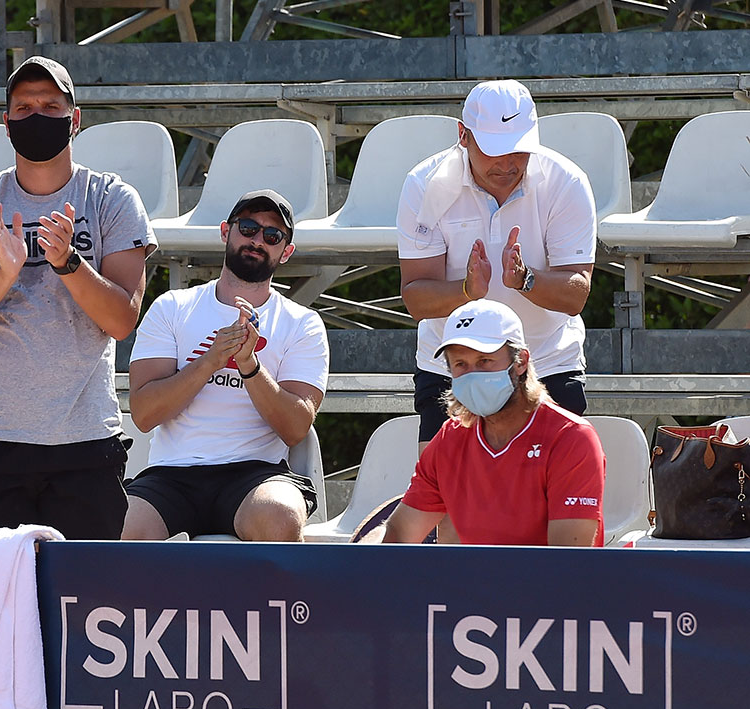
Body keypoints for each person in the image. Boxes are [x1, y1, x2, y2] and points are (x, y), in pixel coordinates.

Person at [0, 56, 156, 539]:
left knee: (83, 603)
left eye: (51, 106)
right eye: (24, 106)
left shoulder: (112, 198)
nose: (37, 116)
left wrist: (68, 263)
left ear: (75, 120)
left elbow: (121, 319)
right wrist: (1, 277)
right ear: (6, 124)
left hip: (86, 443)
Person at [397, 79, 597, 448]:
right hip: (454, 369)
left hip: (546, 364)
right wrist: (466, 291)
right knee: (445, 502)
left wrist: (526, 280)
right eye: (493, 150)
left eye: (519, 150)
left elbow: (576, 296)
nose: (507, 163)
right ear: (463, 136)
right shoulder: (423, 183)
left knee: (548, 502)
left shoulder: (567, 182)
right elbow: (415, 300)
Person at [122, 189, 327, 542]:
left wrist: (248, 366)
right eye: (247, 227)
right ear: (225, 232)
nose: (258, 240)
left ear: (286, 251)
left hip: (256, 475)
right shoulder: (172, 307)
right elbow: (143, 414)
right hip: (172, 474)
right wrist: (212, 360)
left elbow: (295, 428)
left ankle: (270, 601)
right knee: (119, 524)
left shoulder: (302, 323)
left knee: (279, 517)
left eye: (272, 235)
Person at [382, 299, 604, 546]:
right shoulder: (449, 438)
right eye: (460, 364)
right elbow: (399, 536)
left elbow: (565, 565)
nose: (472, 374)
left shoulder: (571, 438)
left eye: (484, 361)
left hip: (538, 584)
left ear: (520, 361)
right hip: (471, 583)